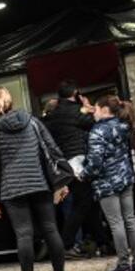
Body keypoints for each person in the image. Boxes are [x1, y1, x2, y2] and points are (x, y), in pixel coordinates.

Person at [0, 87, 70, 271]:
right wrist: (60, 182)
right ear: (11, 101)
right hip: (40, 183)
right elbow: (51, 149)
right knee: (50, 229)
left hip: (12, 189)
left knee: (24, 234)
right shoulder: (32, 122)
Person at [82, 96, 135, 271]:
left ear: (104, 110)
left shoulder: (97, 132)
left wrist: (83, 173)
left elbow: (95, 162)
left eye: (96, 109)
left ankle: (124, 265)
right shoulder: (124, 125)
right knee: (130, 219)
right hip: (125, 179)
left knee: (116, 222)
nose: (94, 113)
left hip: (106, 183)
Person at [42, 80, 103, 258]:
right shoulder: (75, 111)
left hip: (63, 165)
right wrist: (88, 107)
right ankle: (67, 243)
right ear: (75, 94)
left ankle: (101, 240)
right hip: (78, 161)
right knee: (83, 204)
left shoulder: (53, 115)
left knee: (86, 203)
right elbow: (93, 123)